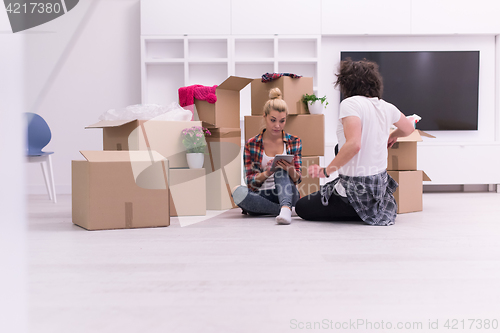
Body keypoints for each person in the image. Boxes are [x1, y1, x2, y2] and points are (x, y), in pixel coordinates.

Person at [295, 58, 415, 226]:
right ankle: (366, 208)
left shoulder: (350, 104)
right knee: (338, 149)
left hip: (356, 192)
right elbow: (409, 128)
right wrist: (393, 134)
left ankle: (357, 210)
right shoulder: (387, 106)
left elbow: (354, 144)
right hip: (377, 189)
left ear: (346, 83)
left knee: (301, 207)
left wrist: (326, 170)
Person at [232, 88, 302, 225]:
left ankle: (285, 206)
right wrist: (268, 172)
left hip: (287, 193)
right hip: (262, 196)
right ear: (264, 116)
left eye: (282, 121)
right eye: (273, 120)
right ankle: (285, 210)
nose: (277, 125)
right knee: (237, 191)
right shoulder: (251, 144)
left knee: (281, 170)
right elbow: (250, 182)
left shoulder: (294, 141)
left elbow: (298, 179)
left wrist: (290, 169)